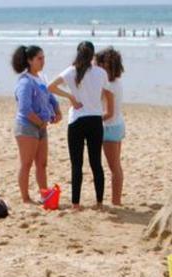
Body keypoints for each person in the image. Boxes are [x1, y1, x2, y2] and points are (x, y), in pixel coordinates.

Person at [49, 41, 113, 211]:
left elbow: (50, 86)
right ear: (92, 55)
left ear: (78, 53)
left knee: (76, 164)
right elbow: (105, 92)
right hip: (95, 120)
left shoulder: (71, 71)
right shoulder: (100, 73)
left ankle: (76, 204)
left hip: (77, 120)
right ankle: (99, 202)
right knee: (96, 163)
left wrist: (70, 97)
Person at [11, 45, 60, 204]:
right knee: (26, 163)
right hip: (27, 126)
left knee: (42, 163)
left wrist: (57, 110)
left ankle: (44, 195)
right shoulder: (25, 82)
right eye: (39, 58)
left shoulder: (41, 78)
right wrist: (39, 122)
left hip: (41, 127)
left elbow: (50, 97)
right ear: (29, 61)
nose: (42, 61)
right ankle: (25, 198)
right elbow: (24, 108)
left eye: (43, 58)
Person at [97, 47, 126, 206]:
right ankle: (117, 200)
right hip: (118, 124)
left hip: (109, 127)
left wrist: (94, 119)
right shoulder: (117, 82)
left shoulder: (107, 86)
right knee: (117, 167)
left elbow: (108, 113)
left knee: (114, 168)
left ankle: (116, 201)